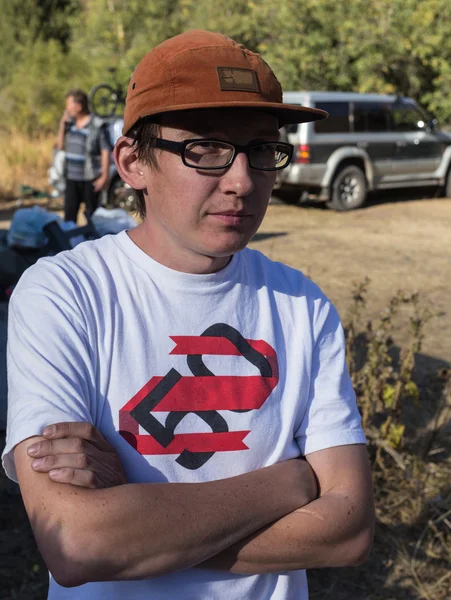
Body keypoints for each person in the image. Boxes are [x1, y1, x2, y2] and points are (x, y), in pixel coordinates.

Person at [2, 30, 374, 600]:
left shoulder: (304, 306)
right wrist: (290, 481)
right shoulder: (64, 294)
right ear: (133, 162)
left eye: (260, 150)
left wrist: (139, 528)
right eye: (205, 148)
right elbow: (76, 542)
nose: (242, 180)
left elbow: (348, 531)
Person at [56, 89, 111, 222]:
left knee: (92, 216)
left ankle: (92, 241)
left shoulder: (97, 124)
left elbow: (105, 150)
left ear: (79, 106)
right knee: (69, 216)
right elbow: (60, 146)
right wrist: (62, 125)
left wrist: (104, 176)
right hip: (71, 178)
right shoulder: (70, 125)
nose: (66, 109)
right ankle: (70, 242)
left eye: (69, 105)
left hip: (90, 178)